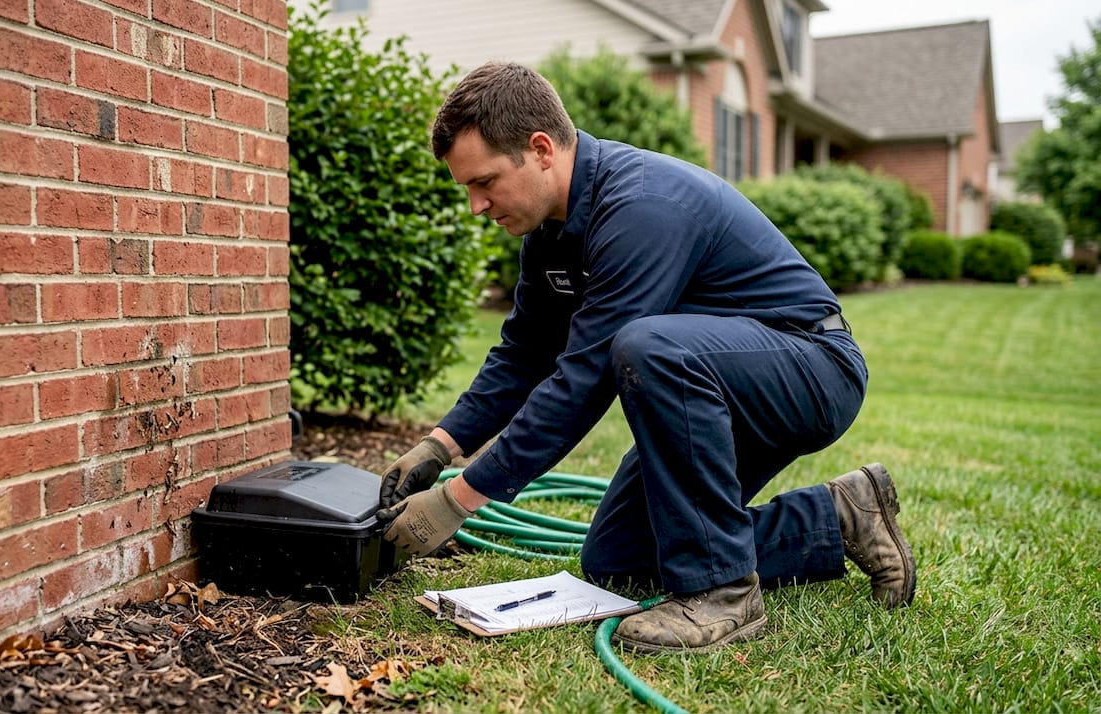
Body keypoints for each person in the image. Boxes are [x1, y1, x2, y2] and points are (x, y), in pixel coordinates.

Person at [377, 62, 916, 653]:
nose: (477, 206)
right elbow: (525, 352)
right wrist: (440, 445)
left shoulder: (641, 206)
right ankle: (841, 517)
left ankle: (723, 593)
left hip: (809, 367)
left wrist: (459, 498)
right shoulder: (548, 234)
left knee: (643, 345)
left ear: (541, 150)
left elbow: (584, 378)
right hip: (714, 383)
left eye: (485, 182)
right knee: (618, 558)